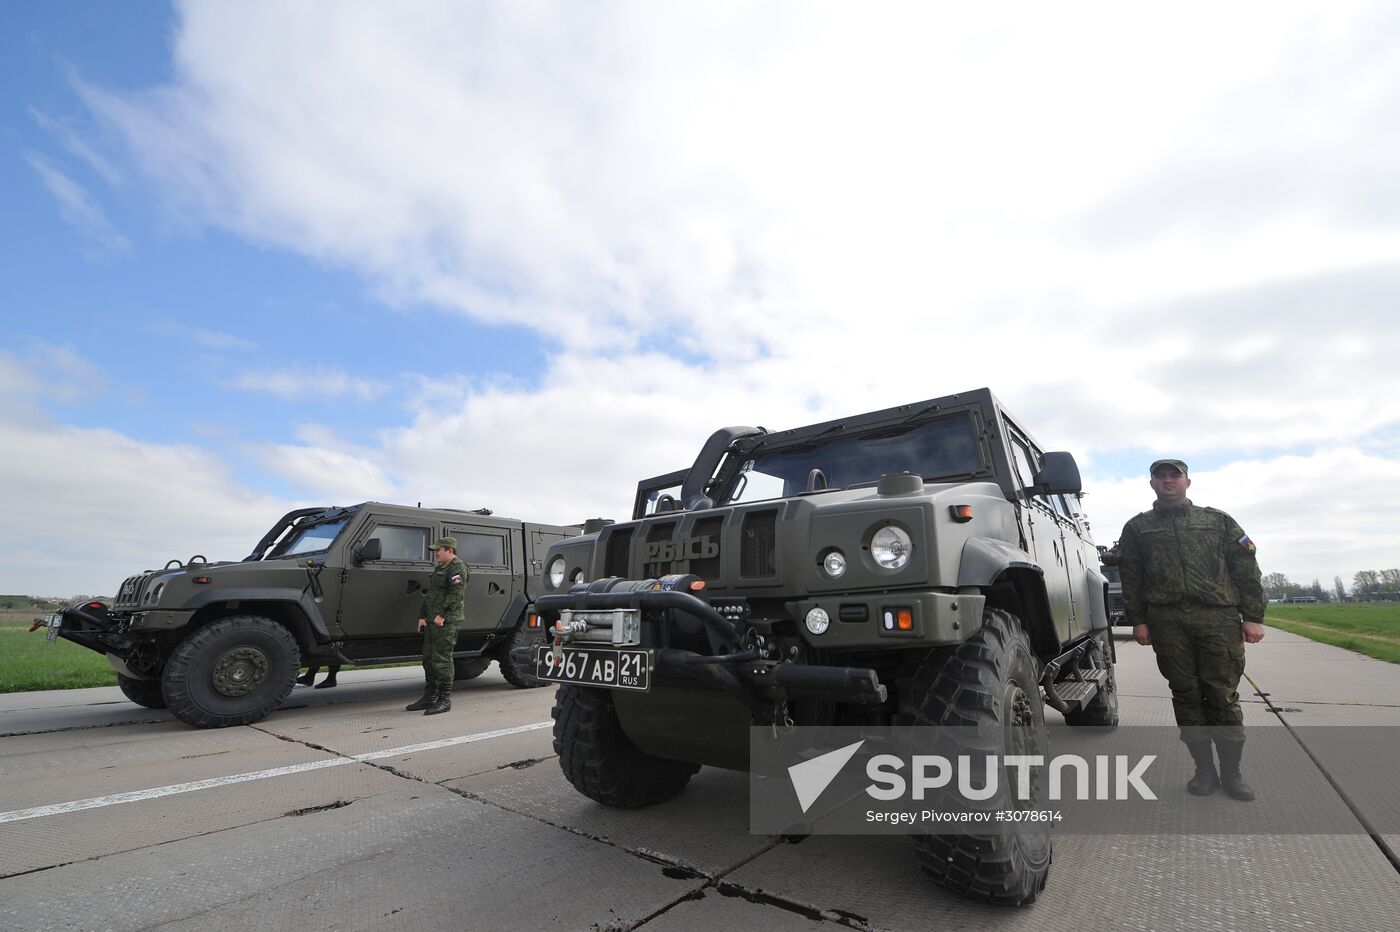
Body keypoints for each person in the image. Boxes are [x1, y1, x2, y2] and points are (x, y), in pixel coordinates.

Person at [1118, 458, 1266, 801]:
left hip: (1217, 618)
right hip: (1167, 621)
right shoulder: (1138, 528)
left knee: (1221, 694)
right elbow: (1132, 578)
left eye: (1175, 475)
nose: (1168, 480)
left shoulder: (1217, 522)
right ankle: (1204, 771)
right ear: (1152, 483)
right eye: (1161, 476)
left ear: (1188, 481)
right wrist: (1138, 619)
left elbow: (1245, 567)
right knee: (1185, 695)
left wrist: (1253, 615)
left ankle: (1232, 773)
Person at [405, 537, 469, 715]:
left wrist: (443, 615)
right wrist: (423, 616)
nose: (435, 554)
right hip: (433, 620)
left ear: (449, 550)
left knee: (442, 659)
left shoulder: (457, 567)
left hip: (447, 621)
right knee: (428, 658)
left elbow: (456, 594)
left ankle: (444, 699)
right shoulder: (440, 568)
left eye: (438, 551)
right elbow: (432, 594)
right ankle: (430, 697)